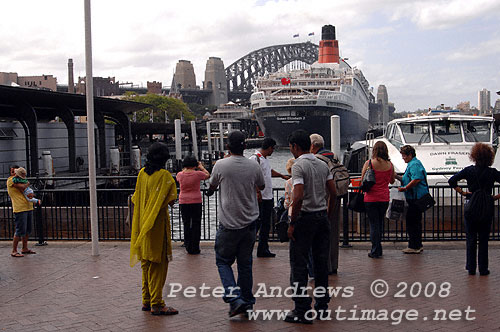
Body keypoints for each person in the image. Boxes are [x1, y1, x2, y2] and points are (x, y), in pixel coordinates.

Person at [207, 131, 265, 318]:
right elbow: (261, 185)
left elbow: (212, 185)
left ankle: (235, 299)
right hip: (250, 223)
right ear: (245, 146)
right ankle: (247, 303)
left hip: (228, 224)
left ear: (227, 146)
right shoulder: (253, 165)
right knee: (245, 264)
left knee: (223, 262)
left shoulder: (221, 165)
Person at [285, 130, 336, 324]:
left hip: (305, 219)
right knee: (321, 264)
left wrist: (292, 222)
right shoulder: (323, 164)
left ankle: (301, 309)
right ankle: (322, 306)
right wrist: (328, 215)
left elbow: (297, 196)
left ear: (295, 147)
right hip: (322, 217)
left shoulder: (299, 165)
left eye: (291, 148)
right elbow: (333, 192)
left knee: (299, 265)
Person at [130, 142, 179, 316]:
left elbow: (135, 198)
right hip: (157, 225)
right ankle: (157, 304)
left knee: (146, 263)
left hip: (142, 223)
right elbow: (171, 200)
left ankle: (147, 300)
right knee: (158, 263)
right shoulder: (165, 176)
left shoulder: (141, 174)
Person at [448, 143, 500, 276]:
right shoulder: (492, 172)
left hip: (471, 206)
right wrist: (495, 197)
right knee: (483, 239)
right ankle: (483, 268)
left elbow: (452, 181)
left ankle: (471, 267)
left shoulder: (469, 171)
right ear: (490, 157)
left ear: (474, 156)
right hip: (487, 207)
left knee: (471, 238)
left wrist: (463, 193)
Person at [249, 137, 289, 258]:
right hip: (261, 197)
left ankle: (263, 248)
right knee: (256, 223)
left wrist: (282, 176)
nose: (273, 151)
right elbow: (252, 176)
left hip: (268, 196)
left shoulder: (264, 159)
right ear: (269, 147)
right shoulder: (254, 158)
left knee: (266, 224)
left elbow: (268, 172)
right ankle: (248, 248)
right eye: (273, 148)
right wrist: (257, 192)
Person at [310, 133, 340, 273]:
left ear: (312, 146)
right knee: (334, 234)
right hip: (336, 199)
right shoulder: (333, 157)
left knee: (319, 238)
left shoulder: (317, 161)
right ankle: (333, 264)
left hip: (322, 200)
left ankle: (322, 267)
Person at [360, 141, 395, 258]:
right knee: (380, 223)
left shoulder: (369, 163)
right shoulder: (390, 165)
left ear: (374, 150)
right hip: (384, 198)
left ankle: (375, 250)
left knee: (373, 224)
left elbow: (362, 180)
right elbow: (392, 181)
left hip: (371, 198)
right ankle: (378, 248)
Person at [396, 145, 429, 254]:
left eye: (404, 156)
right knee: (414, 222)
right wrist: (396, 176)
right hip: (414, 197)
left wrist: (405, 188)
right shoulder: (413, 163)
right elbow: (408, 179)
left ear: (410, 155)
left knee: (412, 222)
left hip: (415, 198)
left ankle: (414, 246)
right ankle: (417, 244)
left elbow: (416, 179)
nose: (403, 158)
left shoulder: (414, 164)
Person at [176, 155, 210, 254]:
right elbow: (207, 175)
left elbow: (180, 176)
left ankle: (187, 244)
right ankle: (195, 247)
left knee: (186, 224)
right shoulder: (198, 174)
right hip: (196, 201)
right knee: (196, 224)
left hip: (184, 201)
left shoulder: (180, 175)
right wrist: (201, 167)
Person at [7, 165, 37, 257]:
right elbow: (23, 187)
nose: (14, 174)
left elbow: (28, 190)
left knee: (27, 230)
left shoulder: (21, 179)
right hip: (20, 208)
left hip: (28, 206)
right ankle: (14, 250)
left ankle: (25, 248)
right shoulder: (11, 180)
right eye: (13, 172)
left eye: (16, 172)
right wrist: (27, 183)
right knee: (19, 230)